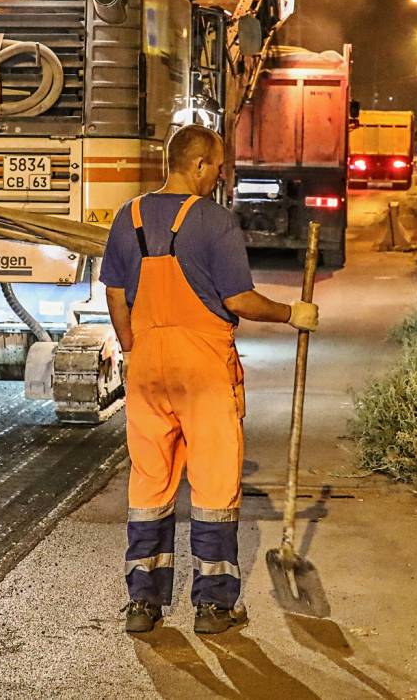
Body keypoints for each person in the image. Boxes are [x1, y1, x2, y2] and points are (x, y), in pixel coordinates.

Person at [101, 124, 320, 636]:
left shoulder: (127, 216)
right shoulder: (214, 221)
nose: (220, 175)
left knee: (150, 482)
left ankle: (143, 603)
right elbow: (239, 300)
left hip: (146, 367)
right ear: (197, 165)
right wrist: (294, 313)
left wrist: (134, 347)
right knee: (214, 486)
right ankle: (214, 606)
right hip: (202, 371)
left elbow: (114, 293)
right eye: (218, 166)